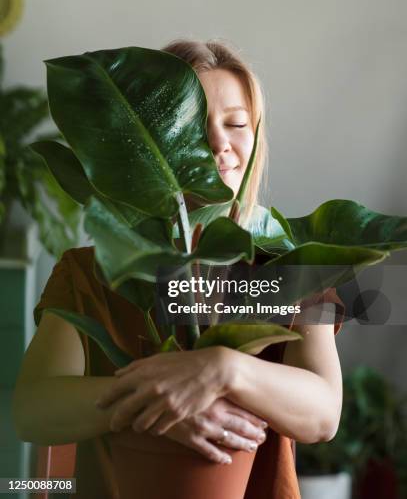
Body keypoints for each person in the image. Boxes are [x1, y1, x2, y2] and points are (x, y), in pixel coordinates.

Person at [12, 39, 345, 499]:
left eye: (237, 124)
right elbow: (33, 409)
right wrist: (160, 405)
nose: (219, 143)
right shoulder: (91, 273)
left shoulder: (292, 269)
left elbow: (323, 414)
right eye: (191, 127)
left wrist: (221, 369)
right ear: (146, 144)